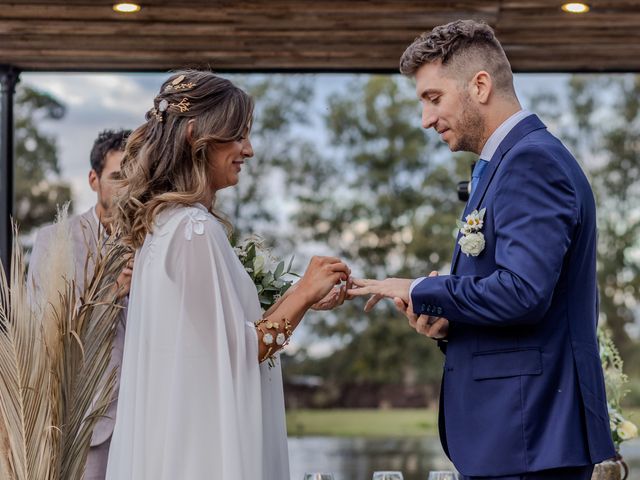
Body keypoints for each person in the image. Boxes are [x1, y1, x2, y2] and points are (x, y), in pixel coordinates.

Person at [348, 20, 616, 480]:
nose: (426, 119)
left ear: (480, 85)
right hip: (514, 438)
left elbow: (523, 292)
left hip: (530, 437)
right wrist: (449, 320)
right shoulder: (504, 163)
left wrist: (418, 288)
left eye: (433, 98)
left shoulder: (531, 162)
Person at [105, 70, 350, 480]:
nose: (248, 150)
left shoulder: (167, 226)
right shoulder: (192, 231)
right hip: (205, 452)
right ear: (197, 137)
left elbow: (212, 338)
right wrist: (303, 292)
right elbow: (240, 351)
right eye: (237, 135)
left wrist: (302, 299)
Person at [28, 128, 133, 480]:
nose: (128, 188)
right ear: (94, 179)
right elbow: (43, 329)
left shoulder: (159, 240)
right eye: (118, 177)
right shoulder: (54, 241)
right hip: (86, 423)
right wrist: (111, 291)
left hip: (151, 417)